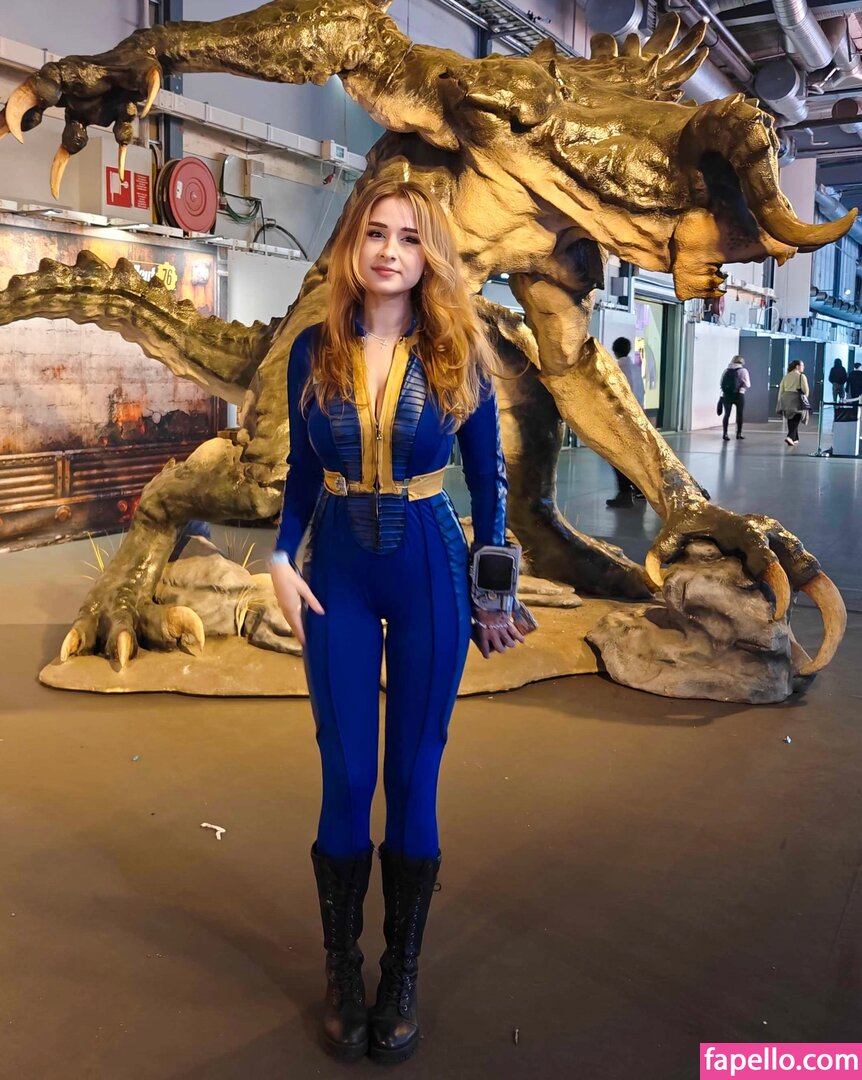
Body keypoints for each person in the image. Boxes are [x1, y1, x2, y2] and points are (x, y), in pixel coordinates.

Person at [269, 178, 531, 1065]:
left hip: (429, 568)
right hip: (337, 575)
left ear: (431, 255)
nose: (390, 251)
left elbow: (489, 483)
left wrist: (494, 592)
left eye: (409, 238)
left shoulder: (461, 352)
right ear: (353, 244)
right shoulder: (313, 351)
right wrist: (280, 555)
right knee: (346, 779)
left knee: (414, 779)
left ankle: (401, 974)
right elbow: (302, 472)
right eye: (376, 233)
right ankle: (344, 971)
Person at [606, 336, 646, 508]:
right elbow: (641, 393)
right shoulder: (636, 369)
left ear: (615, 351)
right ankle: (639, 489)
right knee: (634, 456)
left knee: (617, 457)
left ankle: (624, 493)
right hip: (637, 418)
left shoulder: (616, 369)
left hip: (621, 419)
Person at [777, 359, 810, 446]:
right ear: (797, 366)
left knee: (790, 418)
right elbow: (805, 390)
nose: (803, 367)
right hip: (796, 399)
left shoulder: (786, 376)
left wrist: (780, 400)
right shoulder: (801, 376)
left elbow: (781, 389)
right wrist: (805, 398)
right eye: (802, 365)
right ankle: (790, 436)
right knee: (797, 417)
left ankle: (795, 438)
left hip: (786, 398)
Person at [719, 354, 751, 440]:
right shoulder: (743, 371)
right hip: (739, 394)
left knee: (727, 414)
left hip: (727, 395)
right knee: (739, 414)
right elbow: (748, 384)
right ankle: (739, 433)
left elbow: (721, 383)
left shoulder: (726, 370)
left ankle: (725, 434)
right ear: (742, 361)